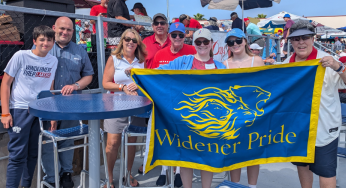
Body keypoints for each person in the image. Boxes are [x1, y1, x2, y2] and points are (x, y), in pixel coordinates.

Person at [283, 20, 346, 188]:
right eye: (296, 38)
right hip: (298, 128)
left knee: (326, 171)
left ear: (312, 38)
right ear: (291, 41)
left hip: (324, 128)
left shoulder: (328, 60)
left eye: (305, 37)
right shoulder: (285, 64)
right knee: (302, 166)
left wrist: (339, 67)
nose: (301, 42)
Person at [157, 28, 226, 188]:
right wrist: (138, 74)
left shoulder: (221, 66)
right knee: (186, 157)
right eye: (198, 42)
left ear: (211, 44)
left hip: (212, 121)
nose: (202, 45)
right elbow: (158, 73)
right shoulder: (183, 61)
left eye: (205, 41)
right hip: (186, 119)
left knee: (208, 157)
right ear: (194, 44)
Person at [1, 26, 58, 188]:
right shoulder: (21, 56)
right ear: (34, 41)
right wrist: (5, 113)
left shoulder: (53, 61)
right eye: (42, 39)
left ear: (53, 42)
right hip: (19, 110)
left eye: (49, 40)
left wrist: (52, 115)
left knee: (33, 154)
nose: (45, 43)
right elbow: (5, 83)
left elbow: (49, 88)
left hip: (41, 111)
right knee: (18, 155)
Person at [41, 17, 94, 187]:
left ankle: (66, 174)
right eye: (62, 29)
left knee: (68, 140)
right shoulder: (45, 48)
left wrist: (76, 85)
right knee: (48, 142)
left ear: (73, 31)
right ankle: (51, 178)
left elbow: (88, 76)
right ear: (54, 28)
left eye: (69, 30)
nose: (65, 32)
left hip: (71, 104)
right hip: (48, 104)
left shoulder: (80, 50)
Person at [102, 29, 147, 188]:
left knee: (131, 142)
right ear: (122, 41)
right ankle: (109, 178)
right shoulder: (114, 58)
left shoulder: (141, 61)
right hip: (116, 106)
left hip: (136, 105)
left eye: (134, 40)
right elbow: (105, 83)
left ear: (138, 44)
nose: (130, 42)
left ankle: (127, 174)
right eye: (127, 39)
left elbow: (145, 82)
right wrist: (123, 87)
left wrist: (140, 84)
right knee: (112, 143)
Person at [222, 29, 264, 188]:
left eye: (238, 41)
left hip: (254, 114)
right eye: (230, 42)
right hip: (233, 114)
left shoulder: (257, 61)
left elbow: (265, 85)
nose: (235, 44)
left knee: (253, 152)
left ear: (245, 41)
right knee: (234, 152)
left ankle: (252, 186)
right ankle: (235, 185)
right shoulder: (224, 64)